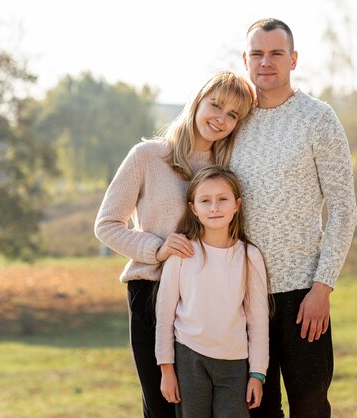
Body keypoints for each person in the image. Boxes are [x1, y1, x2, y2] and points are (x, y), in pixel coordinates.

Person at [95, 71, 255, 418]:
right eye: (216, 105)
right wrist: (158, 248)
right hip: (151, 291)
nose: (221, 119)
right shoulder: (147, 157)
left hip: (208, 301)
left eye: (233, 115)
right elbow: (107, 225)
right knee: (162, 407)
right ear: (198, 100)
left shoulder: (225, 168)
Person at [229, 18, 357, 418]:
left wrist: (323, 288)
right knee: (257, 410)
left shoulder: (318, 118)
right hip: (242, 294)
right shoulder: (234, 121)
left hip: (303, 295)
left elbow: (343, 210)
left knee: (310, 408)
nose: (265, 62)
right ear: (245, 60)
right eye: (257, 54)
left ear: (293, 59)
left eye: (275, 54)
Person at [155, 166, 269, 418]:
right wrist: (167, 369)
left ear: (237, 204)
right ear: (193, 208)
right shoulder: (182, 254)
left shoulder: (249, 256)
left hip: (235, 363)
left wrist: (257, 374)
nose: (214, 207)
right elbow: (164, 316)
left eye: (222, 199)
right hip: (189, 358)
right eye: (205, 201)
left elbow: (258, 321)